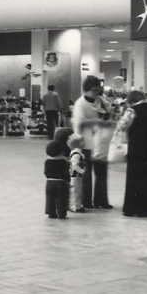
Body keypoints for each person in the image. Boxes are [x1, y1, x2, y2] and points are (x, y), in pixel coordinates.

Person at [71, 76, 113, 209]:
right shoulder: (80, 103)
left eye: (98, 90)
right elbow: (78, 122)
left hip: (100, 143)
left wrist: (106, 116)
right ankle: (86, 201)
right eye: (94, 90)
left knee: (101, 173)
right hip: (86, 143)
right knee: (86, 174)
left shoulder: (101, 100)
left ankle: (101, 201)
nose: (96, 93)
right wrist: (97, 121)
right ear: (86, 90)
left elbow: (109, 110)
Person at [44, 130, 71, 219]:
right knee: (61, 198)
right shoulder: (63, 161)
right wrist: (68, 180)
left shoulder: (47, 161)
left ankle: (51, 213)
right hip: (61, 183)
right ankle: (61, 213)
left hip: (49, 182)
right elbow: (66, 172)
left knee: (50, 198)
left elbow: (46, 172)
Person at [67, 133, 86, 213]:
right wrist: (82, 171)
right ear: (77, 144)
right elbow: (75, 165)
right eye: (82, 141)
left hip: (78, 176)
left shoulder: (77, 152)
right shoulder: (77, 154)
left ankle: (78, 205)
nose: (84, 142)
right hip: (75, 175)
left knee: (78, 190)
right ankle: (75, 206)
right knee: (76, 191)